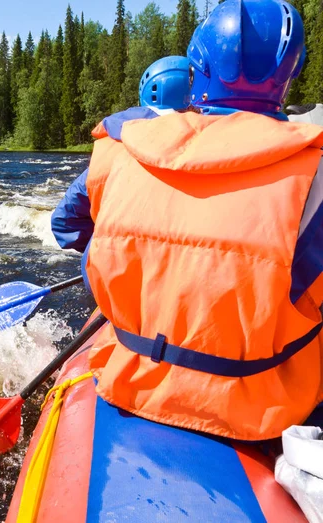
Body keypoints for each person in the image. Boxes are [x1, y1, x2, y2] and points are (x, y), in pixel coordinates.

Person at [68, 0, 323, 441]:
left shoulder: (119, 146)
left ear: (197, 68)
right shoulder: (314, 173)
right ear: (288, 75)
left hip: (128, 380)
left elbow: (70, 230)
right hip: (262, 412)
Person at [50, 55, 190, 256]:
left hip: (118, 273)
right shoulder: (207, 152)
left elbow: (64, 223)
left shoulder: (108, 154)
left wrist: (107, 253)